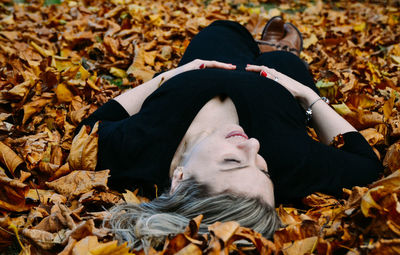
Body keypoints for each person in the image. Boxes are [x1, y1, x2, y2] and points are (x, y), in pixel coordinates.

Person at [76, 17, 382, 249]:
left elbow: (87, 132)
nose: (253, 146)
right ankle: (280, 50)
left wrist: (170, 75)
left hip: (208, 62)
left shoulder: (139, 148)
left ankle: (261, 46)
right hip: (280, 81)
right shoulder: (291, 162)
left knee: (224, 29)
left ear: (180, 178)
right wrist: (306, 95)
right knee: (287, 60)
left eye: (233, 163)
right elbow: (366, 164)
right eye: (263, 169)